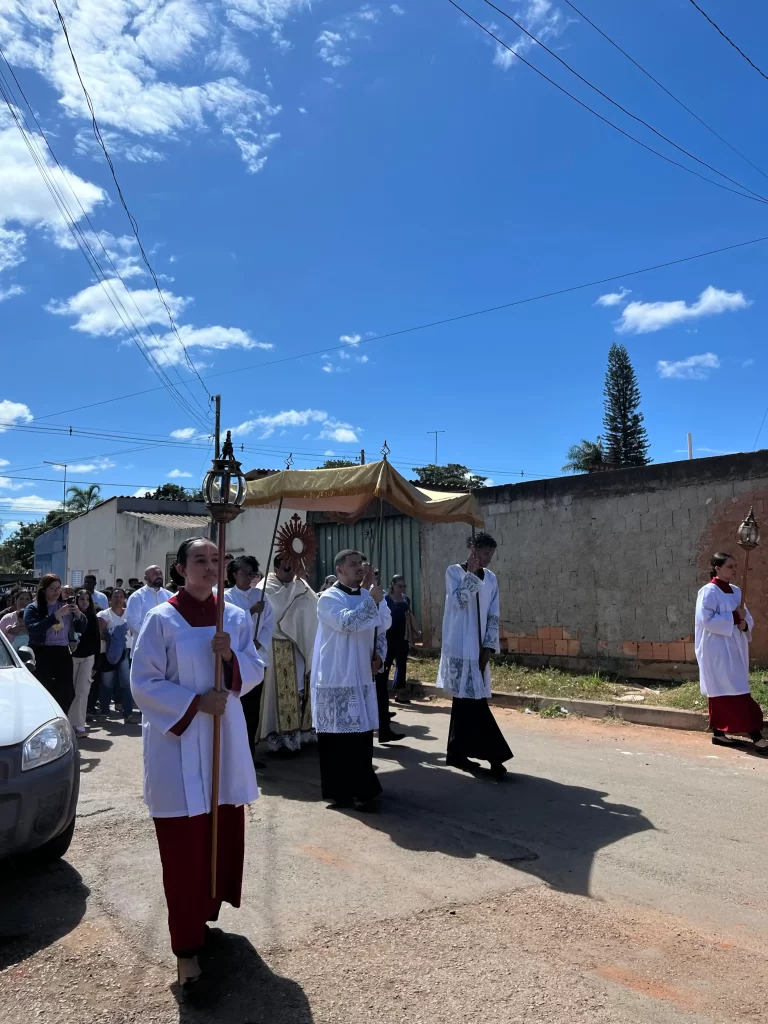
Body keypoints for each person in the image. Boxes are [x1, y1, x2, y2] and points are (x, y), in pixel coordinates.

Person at [130, 537, 264, 992]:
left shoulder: (235, 616)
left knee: (219, 838)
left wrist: (230, 658)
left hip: (223, 743)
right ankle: (186, 951)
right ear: (181, 569)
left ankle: (205, 915)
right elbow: (143, 682)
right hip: (179, 744)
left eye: (216, 560)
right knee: (184, 849)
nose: (210, 567)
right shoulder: (161, 618)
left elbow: (255, 668)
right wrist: (194, 703)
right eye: (200, 560)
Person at [311, 549, 389, 811]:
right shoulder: (328, 598)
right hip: (337, 675)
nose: (359, 568)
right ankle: (342, 791)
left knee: (361, 736)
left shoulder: (369, 596)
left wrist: (379, 656)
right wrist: (371, 600)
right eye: (353, 564)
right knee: (338, 740)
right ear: (339, 570)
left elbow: (380, 629)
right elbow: (347, 623)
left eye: (361, 564)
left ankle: (362, 789)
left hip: (362, 674)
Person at [436, 532, 512, 779]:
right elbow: (458, 601)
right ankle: (495, 755)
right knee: (473, 703)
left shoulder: (491, 578)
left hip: (478, 649)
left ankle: (456, 752)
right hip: (460, 648)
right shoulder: (454, 572)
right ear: (472, 549)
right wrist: (470, 573)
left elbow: (493, 615)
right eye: (484, 552)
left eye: (491, 553)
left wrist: (488, 647)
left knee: (464, 702)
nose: (488, 557)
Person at [695, 552, 767, 752]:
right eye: (730, 566)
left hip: (735, 647)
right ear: (717, 568)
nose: (734, 570)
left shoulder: (736, 591)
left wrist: (745, 624)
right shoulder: (708, 592)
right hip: (716, 649)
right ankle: (756, 736)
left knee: (733, 686)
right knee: (732, 689)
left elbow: (746, 617)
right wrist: (735, 617)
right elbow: (705, 620)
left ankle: (719, 733)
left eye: (735, 566)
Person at [260, 555, 318, 753]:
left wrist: (300, 583)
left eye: (294, 568)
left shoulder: (299, 584)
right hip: (278, 646)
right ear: (276, 569)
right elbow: (277, 612)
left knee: (300, 691)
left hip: (301, 645)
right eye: (287, 569)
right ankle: (281, 738)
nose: (291, 573)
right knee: (281, 695)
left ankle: (302, 733)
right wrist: (295, 587)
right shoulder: (266, 587)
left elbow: (313, 605)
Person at [222, 556, 275, 765]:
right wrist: (251, 611)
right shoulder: (226, 597)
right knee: (235, 709)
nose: (247, 577)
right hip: (235, 658)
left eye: (251, 573)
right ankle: (233, 756)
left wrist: (259, 642)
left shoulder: (260, 596)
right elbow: (228, 622)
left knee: (252, 710)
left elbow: (269, 624)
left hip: (255, 659)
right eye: (243, 572)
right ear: (234, 574)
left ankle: (250, 755)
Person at [24, 573, 86, 713]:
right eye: (52, 588)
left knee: (67, 692)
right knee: (44, 690)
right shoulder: (34, 608)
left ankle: (61, 717)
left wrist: (78, 614)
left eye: (58, 588)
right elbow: (33, 629)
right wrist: (56, 615)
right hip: (41, 652)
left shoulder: (65, 606)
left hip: (62, 651)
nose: (56, 592)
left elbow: (82, 628)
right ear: (44, 589)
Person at [98, 587, 139, 725]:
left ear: (125, 599)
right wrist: (114, 637)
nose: (118, 599)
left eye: (121, 596)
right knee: (107, 683)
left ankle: (128, 714)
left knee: (126, 683)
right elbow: (100, 633)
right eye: (115, 596)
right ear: (110, 599)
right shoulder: (104, 614)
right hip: (108, 653)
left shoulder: (130, 614)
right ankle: (104, 712)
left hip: (126, 652)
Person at [70, 588, 101, 737]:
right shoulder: (69, 616)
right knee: (70, 691)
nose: (84, 602)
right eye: (81, 599)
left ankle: (80, 725)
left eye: (87, 599)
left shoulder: (93, 618)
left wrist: (96, 663)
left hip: (88, 658)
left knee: (82, 691)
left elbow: (97, 641)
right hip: (71, 657)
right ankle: (69, 724)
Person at [125, 565, 173, 641]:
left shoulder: (170, 596)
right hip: (144, 642)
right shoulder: (137, 597)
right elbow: (133, 622)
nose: (159, 576)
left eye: (160, 573)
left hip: (166, 642)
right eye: (154, 574)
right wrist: (151, 636)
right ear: (145, 578)